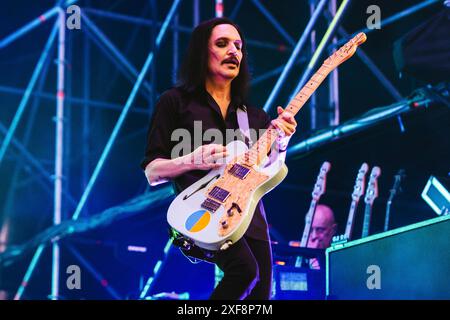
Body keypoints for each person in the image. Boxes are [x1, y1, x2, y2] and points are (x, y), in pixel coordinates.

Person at [141, 17, 297, 300]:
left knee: (260, 296)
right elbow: (152, 172)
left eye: (238, 46)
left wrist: (282, 140)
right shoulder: (174, 102)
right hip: (203, 212)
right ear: (202, 52)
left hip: (251, 219)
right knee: (245, 271)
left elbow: (270, 169)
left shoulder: (254, 115)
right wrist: (193, 159)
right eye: (222, 44)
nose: (234, 52)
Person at [306, 204, 337, 270]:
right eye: (310, 230)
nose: (314, 236)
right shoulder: (298, 258)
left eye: (320, 230)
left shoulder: (340, 259)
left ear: (333, 230)